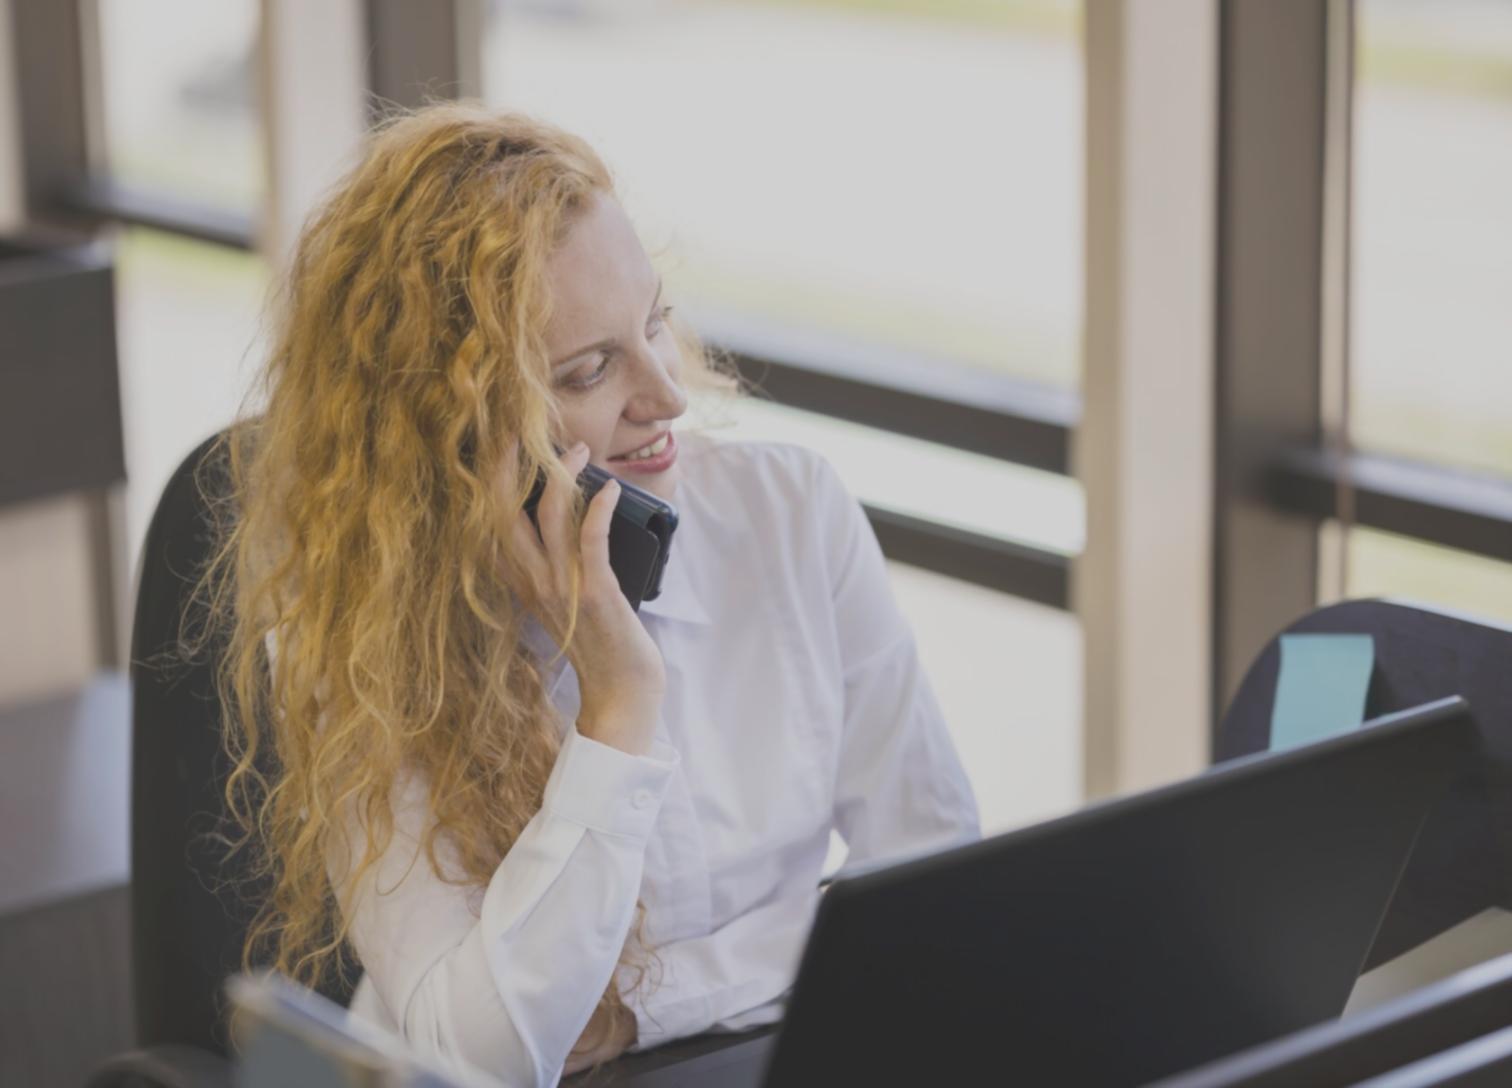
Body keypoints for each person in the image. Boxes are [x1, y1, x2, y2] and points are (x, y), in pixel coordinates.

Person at [206, 102, 979, 1087]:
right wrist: (617, 703)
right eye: (589, 368)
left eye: (653, 321)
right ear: (451, 429)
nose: (665, 393)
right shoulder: (366, 640)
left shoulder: (792, 515)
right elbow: (483, 1054)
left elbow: (939, 888)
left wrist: (647, 1001)